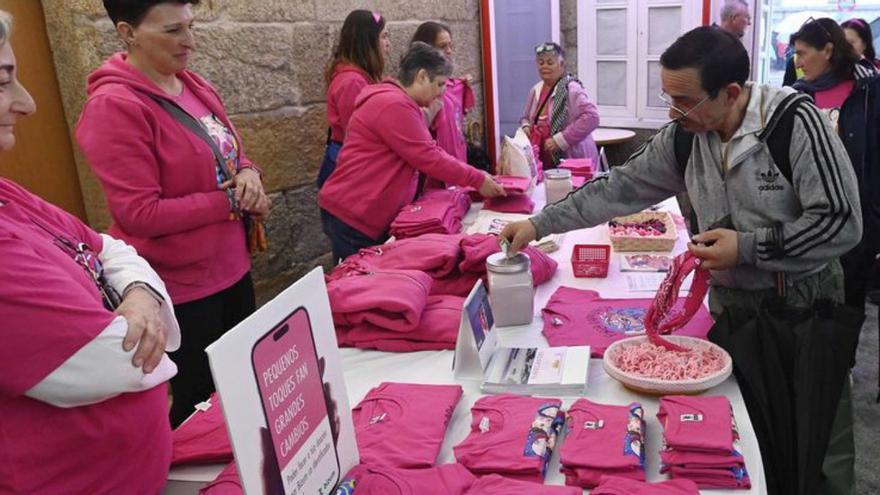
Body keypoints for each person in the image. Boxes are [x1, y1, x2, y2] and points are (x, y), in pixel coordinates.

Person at [501, 26, 860, 495]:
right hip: (737, 313)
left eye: (684, 101)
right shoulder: (686, 137)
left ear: (731, 93)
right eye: (668, 97)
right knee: (757, 432)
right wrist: (540, 224)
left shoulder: (794, 123)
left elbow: (840, 222)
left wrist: (747, 248)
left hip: (806, 310)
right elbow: (619, 187)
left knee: (819, 436)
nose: (672, 112)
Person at [0, 10, 181, 493]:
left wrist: (140, 295)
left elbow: (110, 247)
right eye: (2, 82)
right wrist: (160, 354)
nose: (27, 103)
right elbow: (109, 360)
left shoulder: (7, 194)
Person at [76, 0, 270, 427]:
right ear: (127, 33)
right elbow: (139, 213)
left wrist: (249, 173)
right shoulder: (114, 106)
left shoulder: (194, 85)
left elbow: (228, 154)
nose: (190, 41)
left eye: (190, 26)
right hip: (184, 287)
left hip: (231, 267)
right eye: (172, 31)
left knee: (242, 389)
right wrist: (229, 202)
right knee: (200, 406)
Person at [318, 42, 505, 261]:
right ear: (422, 76)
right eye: (439, 84)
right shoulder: (394, 104)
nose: (442, 92)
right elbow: (430, 157)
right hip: (355, 214)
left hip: (359, 210)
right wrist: (477, 179)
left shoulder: (396, 100)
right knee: (360, 275)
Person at [790, 18, 880, 322]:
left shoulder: (869, 90)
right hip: (810, 217)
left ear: (828, 50)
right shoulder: (799, 95)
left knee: (848, 305)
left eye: (802, 53)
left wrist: (875, 216)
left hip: (859, 217)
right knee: (808, 301)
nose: (798, 63)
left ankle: (843, 352)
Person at [317, 9, 390, 189]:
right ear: (367, 42)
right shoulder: (352, 82)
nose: (388, 44)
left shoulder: (360, 77)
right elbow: (357, 133)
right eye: (383, 36)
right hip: (352, 169)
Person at [519, 42, 599, 170]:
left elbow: (592, 117)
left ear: (562, 65)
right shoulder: (535, 90)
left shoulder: (572, 90)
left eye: (550, 63)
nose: (545, 66)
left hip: (573, 161)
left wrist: (560, 140)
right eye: (541, 63)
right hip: (543, 162)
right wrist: (526, 126)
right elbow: (525, 117)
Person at [411, 21, 474, 165]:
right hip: (437, 164)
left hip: (458, 160)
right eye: (442, 46)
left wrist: (464, 86)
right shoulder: (420, 90)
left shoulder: (453, 85)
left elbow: (460, 115)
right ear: (427, 50)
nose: (449, 51)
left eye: (450, 45)